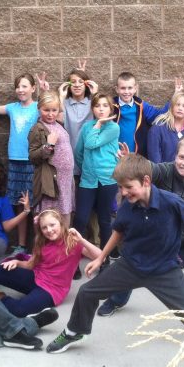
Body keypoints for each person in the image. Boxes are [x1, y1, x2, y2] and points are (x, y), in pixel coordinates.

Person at [45, 154, 184, 355]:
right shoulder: (128, 205)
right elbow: (118, 231)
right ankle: (75, 332)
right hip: (131, 266)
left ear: (146, 181)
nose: (123, 192)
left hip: (165, 271)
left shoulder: (170, 202)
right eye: (120, 187)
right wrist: (100, 258)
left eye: (128, 187)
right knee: (86, 292)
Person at [101, 136, 184, 319]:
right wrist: (131, 162)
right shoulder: (166, 170)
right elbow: (149, 169)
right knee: (132, 263)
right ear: (175, 156)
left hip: (183, 240)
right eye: (181, 157)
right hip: (157, 235)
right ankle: (117, 300)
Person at [0, 210, 102, 317]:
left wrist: (82, 240)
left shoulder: (73, 242)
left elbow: (100, 256)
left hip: (52, 290)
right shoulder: (41, 241)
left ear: (61, 223)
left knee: (19, 310)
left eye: (52, 225)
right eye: (44, 227)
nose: (49, 230)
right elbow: (30, 265)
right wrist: (16, 262)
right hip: (35, 277)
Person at [0, 73, 38, 255]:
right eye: (18, 87)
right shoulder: (12, 108)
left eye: (24, 86)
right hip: (15, 161)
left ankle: (39, 247)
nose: (20, 90)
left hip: (32, 161)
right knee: (20, 204)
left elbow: (58, 113)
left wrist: (50, 92)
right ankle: (21, 246)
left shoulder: (38, 107)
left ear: (33, 88)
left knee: (35, 205)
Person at [72, 94, 120, 261]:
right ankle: (73, 257)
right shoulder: (87, 127)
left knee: (105, 220)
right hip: (88, 180)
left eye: (105, 105)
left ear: (111, 109)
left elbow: (92, 143)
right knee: (80, 219)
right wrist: (87, 167)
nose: (101, 109)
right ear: (92, 108)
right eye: (97, 105)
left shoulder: (113, 128)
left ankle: (103, 258)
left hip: (108, 180)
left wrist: (98, 124)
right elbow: (78, 153)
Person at [27, 91, 75, 218]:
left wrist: (61, 96)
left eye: (54, 110)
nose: (50, 114)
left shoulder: (58, 124)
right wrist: (48, 146)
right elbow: (32, 157)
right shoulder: (37, 129)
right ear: (39, 109)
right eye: (46, 110)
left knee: (65, 213)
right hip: (52, 181)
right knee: (49, 215)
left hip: (65, 180)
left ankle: (64, 233)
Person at [113, 71, 180, 157]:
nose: (126, 91)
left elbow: (158, 116)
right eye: (123, 88)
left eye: (130, 88)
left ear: (135, 88)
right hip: (114, 155)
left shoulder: (141, 106)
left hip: (137, 156)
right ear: (117, 89)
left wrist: (175, 97)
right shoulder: (110, 105)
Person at [146, 92, 184, 164]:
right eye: (177, 104)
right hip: (163, 170)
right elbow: (155, 161)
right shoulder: (157, 129)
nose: (180, 108)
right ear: (171, 107)